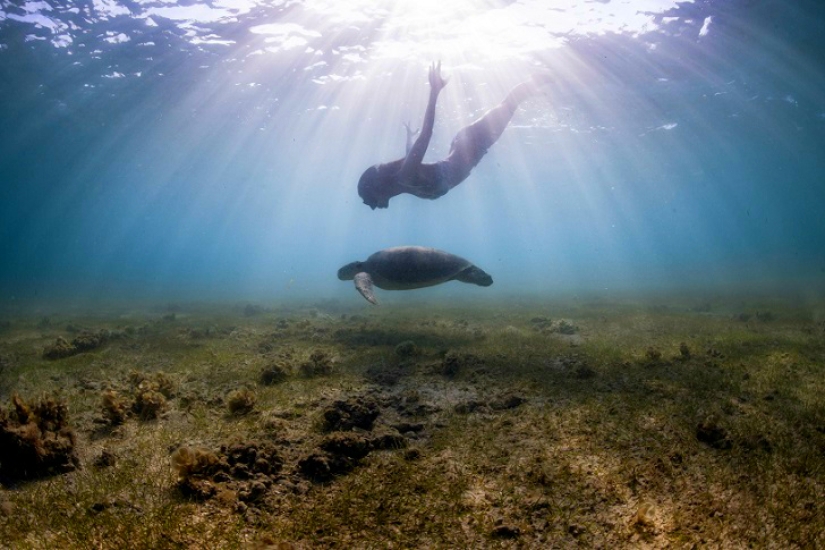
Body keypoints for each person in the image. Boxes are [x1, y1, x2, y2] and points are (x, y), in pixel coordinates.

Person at [358, 61, 549, 209]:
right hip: (466, 146)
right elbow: (411, 153)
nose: (372, 207)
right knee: (511, 105)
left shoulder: (406, 177)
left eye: (368, 201)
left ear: (376, 187)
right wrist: (409, 136)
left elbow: (426, 135)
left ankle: (543, 78)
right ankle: (534, 85)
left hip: (471, 143)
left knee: (511, 104)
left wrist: (434, 92)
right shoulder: (405, 178)